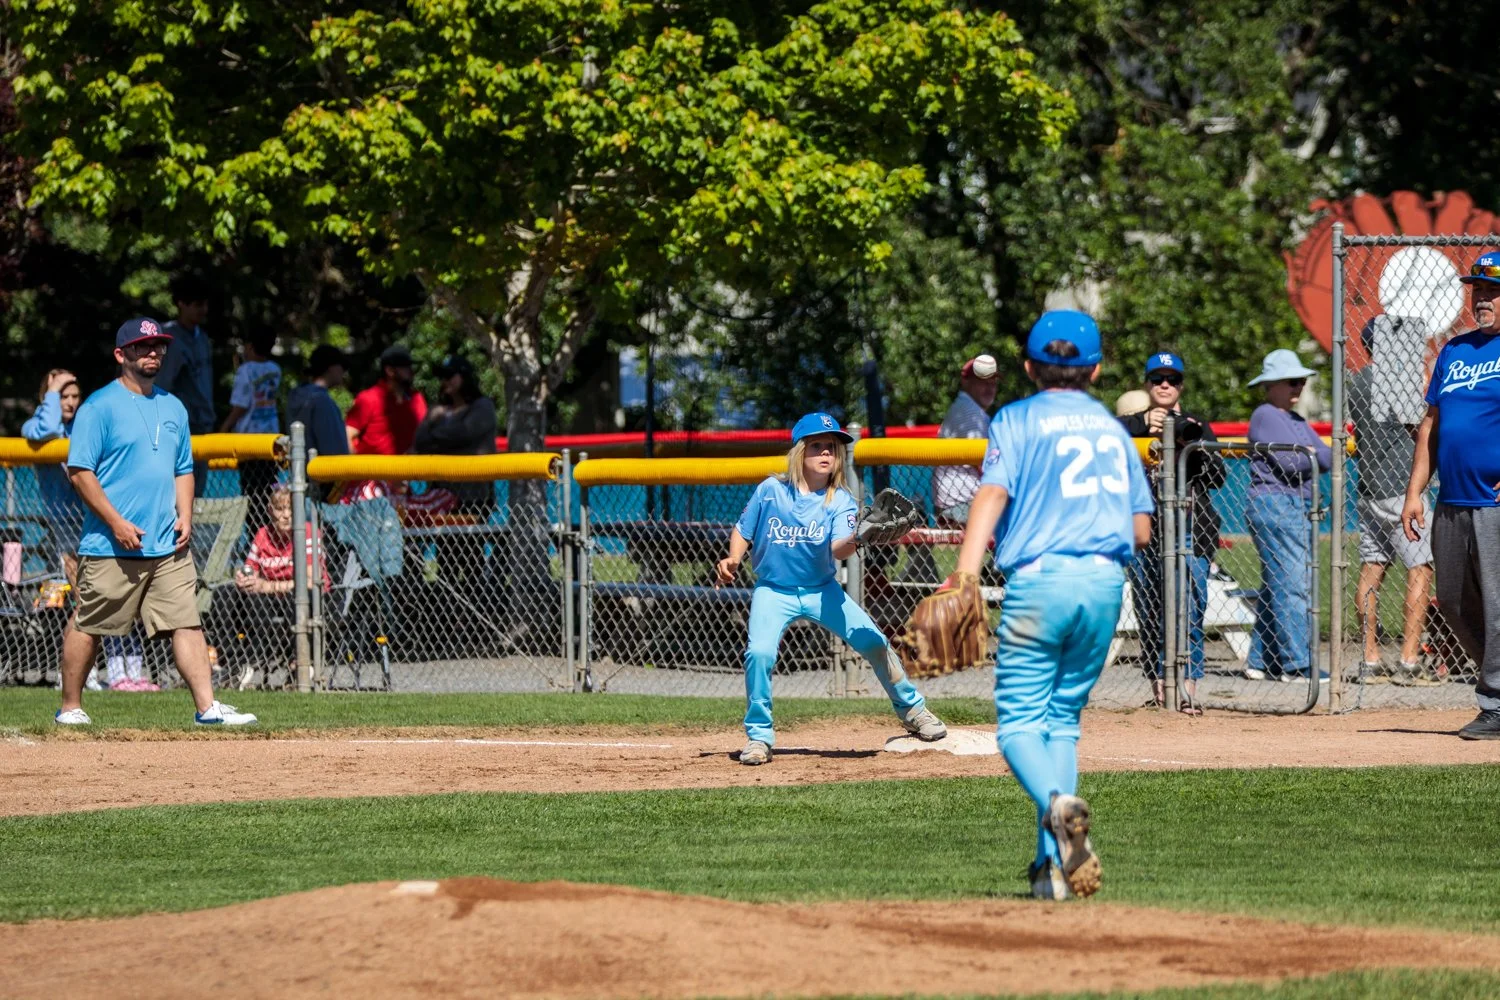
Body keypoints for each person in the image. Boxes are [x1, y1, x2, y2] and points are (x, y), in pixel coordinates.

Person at [952, 310, 1153, 900]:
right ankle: (1053, 872)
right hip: (1103, 585)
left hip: (1041, 582)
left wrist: (964, 572)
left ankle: (1058, 807)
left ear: (1028, 366)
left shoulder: (1014, 418)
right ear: (1094, 368)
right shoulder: (1115, 431)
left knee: (1016, 725)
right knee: (1061, 720)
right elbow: (1141, 530)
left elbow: (992, 492)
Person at [52, 317, 256, 726]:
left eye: (159, 346)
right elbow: (80, 472)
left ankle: (207, 709)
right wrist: (116, 523)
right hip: (113, 543)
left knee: (187, 622)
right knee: (90, 623)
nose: (153, 353)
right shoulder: (98, 406)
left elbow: (183, 468)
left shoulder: (173, 406)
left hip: (167, 543)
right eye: (143, 347)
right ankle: (71, 708)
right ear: (120, 354)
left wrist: (186, 515)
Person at [715, 412, 947, 766]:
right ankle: (759, 737)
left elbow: (838, 549)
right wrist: (733, 559)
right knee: (759, 654)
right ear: (800, 451)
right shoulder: (771, 490)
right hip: (773, 591)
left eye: (833, 448)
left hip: (821, 590)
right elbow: (743, 530)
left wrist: (859, 537)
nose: (827, 453)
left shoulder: (839, 499)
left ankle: (914, 711)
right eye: (818, 446)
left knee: (873, 641)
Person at [1404, 250, 1500, 740]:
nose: (1481, 299)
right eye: (1477, 290)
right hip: (1451, 500)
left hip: (1495, 504)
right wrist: (1414, 492)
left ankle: (1495, 703)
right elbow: (1430, 428)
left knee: (1498, 603)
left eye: (1492, 291)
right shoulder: (1454, 352)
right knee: (1456, 602)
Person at [22, 370, 156, 692]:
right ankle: (89, 671)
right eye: (62, 396)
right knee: (86, 598)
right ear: (49, 398)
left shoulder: (84, 427)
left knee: (115, 595)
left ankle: (128, 670)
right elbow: (47, 428)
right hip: (65, 526)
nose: (69, 402)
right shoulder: (36, 427)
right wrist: (51, 392)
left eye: (73, 396)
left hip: (97, 521)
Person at [1117, 353, 1225, 712]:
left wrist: (1184, 445)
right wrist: (1145, 428)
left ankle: (1188, 691)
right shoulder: (1129, 425)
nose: (1165, 384)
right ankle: (1160, 689)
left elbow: (1218, 477)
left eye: (1173, 379)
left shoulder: (1194, 425)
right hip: (1145, 531)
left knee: (1190, 607)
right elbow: (1109, 451)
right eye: (1157, 378)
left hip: (1190, 529)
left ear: (1181, 385)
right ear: (1147, 384)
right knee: (1149, 608)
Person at [1350, 320, 1435, 685]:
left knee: (1373, 568)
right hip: (1403, 491)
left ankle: (1370, 658)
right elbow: (1422, 432)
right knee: (1420, 569)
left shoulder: (1356, 383)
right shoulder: (1397, 383)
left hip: (1369, 490)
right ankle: (1409, 659)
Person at [1245, 349, 1332, 683]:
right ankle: (1296, 664)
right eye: (1291, 382)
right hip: (1276, 504)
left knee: (1277, 583)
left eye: (1301, 381)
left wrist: (1310, 454)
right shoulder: (1266, 414)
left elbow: (1324, 457)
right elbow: (1291, 463)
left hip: (1292, 504)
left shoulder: (1294, 420)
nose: (1298, 387)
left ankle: (1261, 660)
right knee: (1293, 584)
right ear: (1271, 385)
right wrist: (1310, 455)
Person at [210, 487, 328, 688]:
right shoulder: (263, 534)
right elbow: (251, 568)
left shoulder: (308, 532)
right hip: (269, 597)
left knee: (297, 594)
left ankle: (297, 662)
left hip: (302, 597)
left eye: (291, 508)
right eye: (280, 509)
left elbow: (310, 581)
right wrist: (244, 578)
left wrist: (267, 585)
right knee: (224, 594)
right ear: (270, 510)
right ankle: (233, 661)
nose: (287, 515)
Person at [412, 354, 498, 513]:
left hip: (473, 497)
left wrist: (435, 435)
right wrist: (431, 421)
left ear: (464, 377)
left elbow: (463, 434)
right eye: (442, 377)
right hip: (439, 493)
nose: (445, 381)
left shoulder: (482, 406)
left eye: (450, 376)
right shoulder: (439, 410)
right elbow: (420, 441)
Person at [157, 274, 216, 496]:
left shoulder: (202, 338)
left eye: (205, 304)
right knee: (176, 492)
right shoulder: (169, 339)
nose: (203, 310)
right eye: (197, 304)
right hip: (180, 426)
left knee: (195, 494)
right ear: (181, 304)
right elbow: (162, 386)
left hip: (203, 423)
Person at [221, 330, 282, 525]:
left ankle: (256, 537)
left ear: (250, 347)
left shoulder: (246, 370)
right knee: (269, 490)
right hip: (270, 440)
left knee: (252, 494)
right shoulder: (274, 368)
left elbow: (241, 404)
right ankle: (269, 532)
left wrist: (225, 427)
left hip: (249, 439)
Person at [933, 354, 1000, 523]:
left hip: (956, 502)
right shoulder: (969, 411)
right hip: (961, 504)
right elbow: (983, 465)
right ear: (966, 382)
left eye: (993, 382)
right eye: (983, 381)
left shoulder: (968, 407)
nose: (990, 387)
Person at [346, 344, 427, 456]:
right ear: (389, 371)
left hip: (410, 471)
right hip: (373, 472)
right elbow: (347, 436)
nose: (411, 371)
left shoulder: (416, 398)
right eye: (405, 367)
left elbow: (425, 435)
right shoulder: (369, 398)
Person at [286, 345, 350, 460]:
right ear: (331, 368)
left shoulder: (295, 396)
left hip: (297, 471)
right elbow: (335, 450)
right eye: (343, 367)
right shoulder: (322, 401)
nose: (343, 372)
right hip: (320, 473)